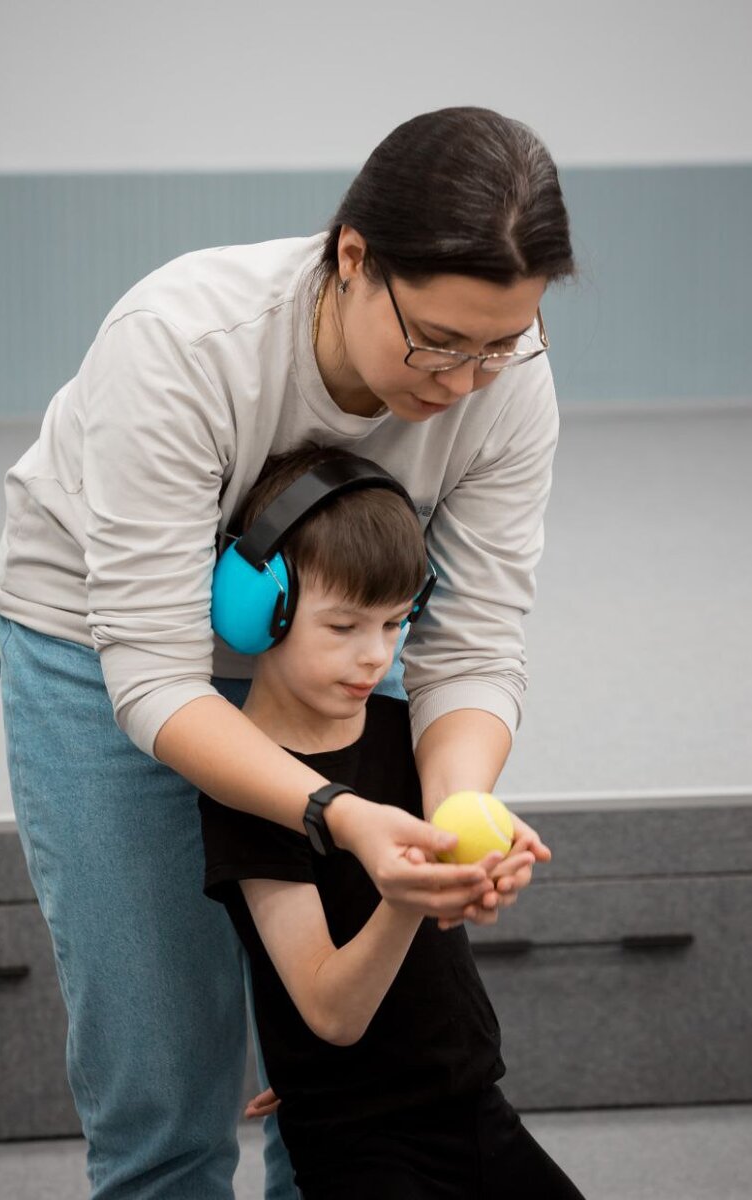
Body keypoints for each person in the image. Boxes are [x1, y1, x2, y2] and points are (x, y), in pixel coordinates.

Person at [0, 105, 574, 1199]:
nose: (460, 383)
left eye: (498, 347)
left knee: (339, 1097)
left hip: (330, 640)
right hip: (107, 651)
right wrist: (340, 815)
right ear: (352, 257)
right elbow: (159, 678)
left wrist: (454, 822)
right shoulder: (179, 344)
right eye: (439, 340)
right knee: (164, 1091)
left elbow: (476, 643)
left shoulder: (508, 379)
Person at [200, 444, 586, 1199]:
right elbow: (331, 1013)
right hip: (361, 1143)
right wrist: (405, 902)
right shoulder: (245, 785)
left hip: (473, 1100)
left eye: (393, 623)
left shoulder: (401, 730)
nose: (374, 656)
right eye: (343, 626)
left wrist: (478, 866)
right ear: (261, 608)